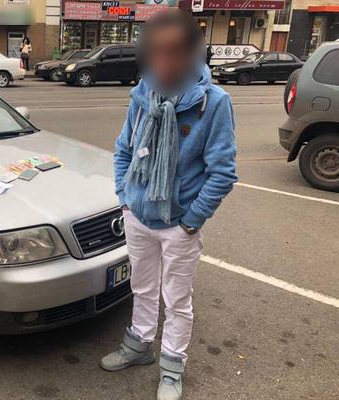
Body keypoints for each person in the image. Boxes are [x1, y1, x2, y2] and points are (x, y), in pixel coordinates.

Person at [101, 10, 237, 400]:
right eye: (156, 51)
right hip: (138, 216)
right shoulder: (143, 94)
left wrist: (192, 220)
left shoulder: (213, 103)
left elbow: (222, 172)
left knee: (177, 300)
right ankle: (139, 344)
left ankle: (172, 368)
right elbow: (124, 149)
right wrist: (125, 199)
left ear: (192, 54)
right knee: (142, 288)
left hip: (178, 224)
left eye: (174, 51)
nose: (163, 61)